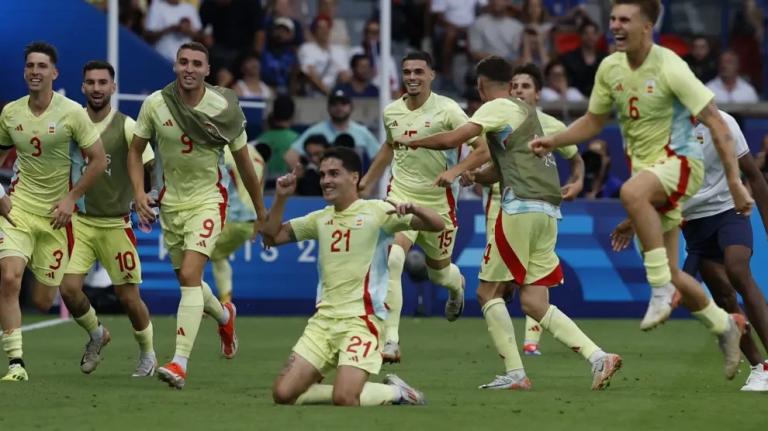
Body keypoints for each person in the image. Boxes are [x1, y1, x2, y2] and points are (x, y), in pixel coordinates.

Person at [529, 0, 749, 379]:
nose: (614, 25)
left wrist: (735, 183)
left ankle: (659, 288)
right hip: (653, 174)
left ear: (646, 26)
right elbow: (593, 121)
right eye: (612, 18)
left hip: (682, 163)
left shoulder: (670, 66)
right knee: (678, 272)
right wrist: (555, 140)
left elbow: (716, 122)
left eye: (624, 19)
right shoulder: (610, 68)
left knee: (631, 193)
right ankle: (724, 324)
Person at [399, 56, 621, 390]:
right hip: (547, 211)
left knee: (487, 292)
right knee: (533, 302)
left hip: (519, 208)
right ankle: (598, 357)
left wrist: (411, 140)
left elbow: (451, 139)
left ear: (481, 85)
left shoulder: (496, 107)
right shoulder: (527, 113)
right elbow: (500, 167)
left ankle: (516, 374)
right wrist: (474, 174)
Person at [128, 42, 266, 389]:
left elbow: (246, 167)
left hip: (209, 199)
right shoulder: (156, 104)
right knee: (187, 280)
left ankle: (179, 362)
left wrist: (261, 211)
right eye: (183, 62)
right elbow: (135, 151)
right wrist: (139, 192)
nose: (189, 68)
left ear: (207, 70)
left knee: (191, 274)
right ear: (175, 66)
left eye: (196, 63)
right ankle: (224, 315)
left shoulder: (223, 107)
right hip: (171, 203)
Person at [263, 147, 439, 406]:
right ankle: (340, 386)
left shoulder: (378, 212)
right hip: (323, 323)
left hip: (362, 321)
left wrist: (416, 209)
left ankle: (397, 392)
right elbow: (270, 237)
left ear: (355, 177)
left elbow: (437, 224)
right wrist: (281, 198)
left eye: (334, 173)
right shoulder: (319, 219)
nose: (326, 180)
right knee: (282, 394)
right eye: (323, 175)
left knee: (345, 398)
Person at [612, 111, 768, 391]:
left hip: (728, 212)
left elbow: (754, 175)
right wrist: (632, 222)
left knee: (737, 270)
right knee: (721, 296)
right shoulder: (658, 133)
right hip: (692, 224)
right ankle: (759, 367)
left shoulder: (724, 122)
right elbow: (654, 191)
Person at [359, 51, 486, 363]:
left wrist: (455, 172)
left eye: (418, 71)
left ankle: (457, 288)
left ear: (431, 74)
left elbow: (481, 149)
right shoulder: (392, 112)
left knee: (439, 276)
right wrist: (365, 183)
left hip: (438, 205)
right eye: (407, 72)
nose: (412, 77)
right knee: (392, 259)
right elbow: (390, 146)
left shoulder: (448, 110)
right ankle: (391, 341)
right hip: (399, 196)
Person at [0, 42, 108, 382]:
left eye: (42, 66)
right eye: (30, 65)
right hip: (18, 210)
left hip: (57, 217)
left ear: (54, 73)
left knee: (45, 300)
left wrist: (71, 198)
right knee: (8, 277)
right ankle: (16, 364)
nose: (35, 71)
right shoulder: (10, 113)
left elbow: (99, 159)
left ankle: (97, 332)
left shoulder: (72, 112)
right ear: (24, 71)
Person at [477, 62, 585, 357]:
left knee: (496, 288)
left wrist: (577, 182)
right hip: (503, 203)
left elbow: (576, 158)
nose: (519, 90)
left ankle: (523, 350)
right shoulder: (502, 115)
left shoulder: (551, 125)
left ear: (538, 94)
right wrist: (474, 174)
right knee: (520, 288)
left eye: (526, 86)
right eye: (515, 85)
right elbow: (489, 159)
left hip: (524, 204)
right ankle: (595, 355)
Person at [58, 60, 157, 377]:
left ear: (113, 87)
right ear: (83, 87)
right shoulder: (72, 124)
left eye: (103, 82)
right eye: (91, 82)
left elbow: (151, 165)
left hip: (116, 224)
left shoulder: (128, 126)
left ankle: (147, 353)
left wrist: (146, 196)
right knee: (68, 289)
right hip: (81, 222)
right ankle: (97, 334)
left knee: (129, 298)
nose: (97, 88)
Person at [209, 142, 266, 303]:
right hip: (250, 222)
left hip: (231, 218)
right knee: (218, 256)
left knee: (192, 253)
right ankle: (225, 301)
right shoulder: (257, 156)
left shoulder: (224, 151)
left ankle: (199, 299)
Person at [284, 89, 379, 169]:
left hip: (353, 188)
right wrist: (304, 178)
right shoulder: (316, 130)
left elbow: (380, 158)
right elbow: (290, 157)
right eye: (335, 104)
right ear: (328, 107)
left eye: (343, 103)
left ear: (351, 107)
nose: (339, 108)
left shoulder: (362, 132)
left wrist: (368, 183)